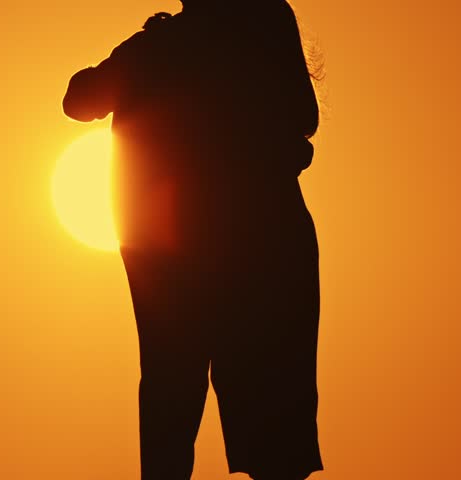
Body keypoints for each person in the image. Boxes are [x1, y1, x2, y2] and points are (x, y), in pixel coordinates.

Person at [62, 1, 323, 479]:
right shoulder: (261, 24)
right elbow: (303, 117)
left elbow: (80, 99)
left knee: (172, 393)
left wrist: (144, 50)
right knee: (269, 416)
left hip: (178, 253)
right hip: (262, 240)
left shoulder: (161, 47)